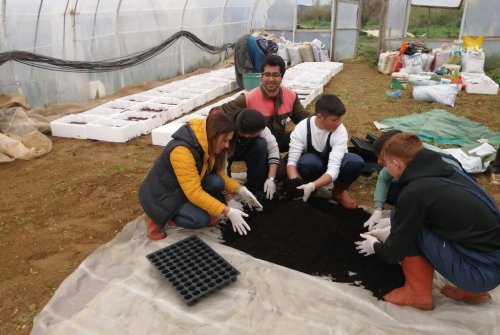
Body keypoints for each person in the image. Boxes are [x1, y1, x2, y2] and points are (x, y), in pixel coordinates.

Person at [355, 132, 500, 310]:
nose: (380, 164)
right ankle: (471, 291)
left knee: (413, 226)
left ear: (397, 163)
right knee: (409, 216)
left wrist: (376, 246)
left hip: (478, 274)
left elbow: (394, 253)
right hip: (491, 263)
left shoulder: (416, 192)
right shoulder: (444, 168)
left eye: (384, 161)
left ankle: (417, 294)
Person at [138, 112, 263, 240]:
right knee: (200, 220)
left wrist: (240, 189)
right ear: (214, 136)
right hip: (164, 194)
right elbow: (193, 192)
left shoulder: (206, 144)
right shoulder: (182, 152)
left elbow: (219, 174)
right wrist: (227, 211)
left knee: (217, 182)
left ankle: (188, 208)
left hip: (184, 186)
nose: (227, 145)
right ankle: (159, 216)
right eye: (225, 140)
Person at [363, 129, 465, 231]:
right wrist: (378, 210)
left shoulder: (431, 172)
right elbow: (384, 178)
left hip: (450, 204)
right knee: (393, 187)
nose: (378, 161)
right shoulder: (404, 159)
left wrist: (395, 220)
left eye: (382, 157)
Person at [286, 94, 365, 209]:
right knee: (307, 162)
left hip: (335, 166)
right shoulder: (302, 128)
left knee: (354, 162)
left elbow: (334, 170)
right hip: (313, 165)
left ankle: (338, 192)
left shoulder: (340, 131)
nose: (339, 123)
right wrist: (296, 185)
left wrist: (313, 185)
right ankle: (310, 190)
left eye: (340, 118)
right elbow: (292, 163)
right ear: (319, 117)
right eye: (334, 119)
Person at [219, 54, 310, 152]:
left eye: (275, 75)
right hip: (257, 146)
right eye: (267, 74)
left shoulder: (291, 96)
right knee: (262, 147)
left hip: (279, 142)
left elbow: (304, 120)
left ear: (282, 77)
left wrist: (321, 120)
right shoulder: (248, 98)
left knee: (306, 136)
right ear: (262, 76)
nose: (271, 79)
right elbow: (219, 112)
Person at [211, 107, 280, 200]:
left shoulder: (254, 122)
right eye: (259, 132)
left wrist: (271, 178)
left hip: (247, 147)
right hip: (228, 150)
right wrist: (228, 197)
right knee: (223, 182)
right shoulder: (225, 131)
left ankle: (254, 189)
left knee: (261, 144)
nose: (262, 132)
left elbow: (273, 149)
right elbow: (221, 166)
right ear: (248, 135)